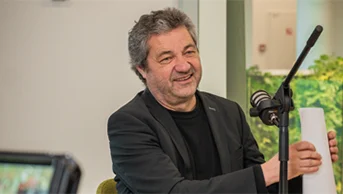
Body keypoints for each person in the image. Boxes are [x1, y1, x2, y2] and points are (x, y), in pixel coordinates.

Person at [107, 7, 339, 193]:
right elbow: (174, 191)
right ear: (142, 69)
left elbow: (262, 188)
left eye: (189, 52)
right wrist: (269, 171)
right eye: (167, 58)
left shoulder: (228, 111)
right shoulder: (128, 124)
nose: (183, 65)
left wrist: (302, 167)